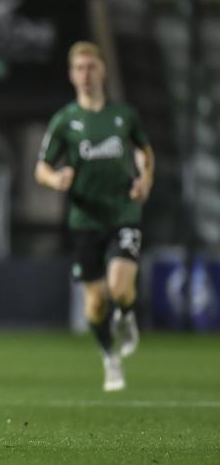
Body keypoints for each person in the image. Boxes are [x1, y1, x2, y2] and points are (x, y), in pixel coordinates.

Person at [35, 41, 155, 392]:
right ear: (71, 75)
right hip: (85, 220)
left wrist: (145, 180)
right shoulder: (65, 121)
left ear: (103, 71)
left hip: (123, 212)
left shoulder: (124, 116)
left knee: (121, 287)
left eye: (91, 67)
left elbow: (144, 151)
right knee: (97, 302)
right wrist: (55, 179)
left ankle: (127, 315)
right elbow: (41, 167)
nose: (85, 74)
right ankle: (109, 357)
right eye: (79, 69)